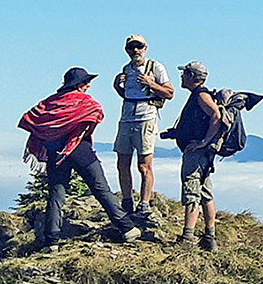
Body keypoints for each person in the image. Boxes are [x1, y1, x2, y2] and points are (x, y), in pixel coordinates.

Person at [19, 67, 142, 250]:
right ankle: (127, 228)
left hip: (55, 153)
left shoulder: (50, 102)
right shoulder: (85, 102)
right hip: (81, 151)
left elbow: (31, 118)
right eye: (86, 82)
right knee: (101, 189)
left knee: (56, 195)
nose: (88, 85)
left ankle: (51, 240)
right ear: (78, 84)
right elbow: (96, 113)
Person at [112, 34, 174, 221]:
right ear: (126, 50)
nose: (135, 50)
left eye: (139, 46)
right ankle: (127, 200)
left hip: (146, 117)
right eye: (132, 47)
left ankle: (144, 203)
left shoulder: (155, 67)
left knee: (143, 165)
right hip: (127, 117)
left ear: (145, 48)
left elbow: (170, 92)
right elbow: (127, 94)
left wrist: (151, 83)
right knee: (122, 163)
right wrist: (117, 86)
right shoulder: (126, 69)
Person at [166, 61, 223, 251]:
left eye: (184, 73)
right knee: (206, 193)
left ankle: (188, 239)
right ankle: (210, 238)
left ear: (192, 76)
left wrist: (203, 142)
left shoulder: (201, 95)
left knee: (192, 193)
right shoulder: (200, 94)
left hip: (196, 153)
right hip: (203, 154)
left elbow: (216, 114)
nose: (181, 77)